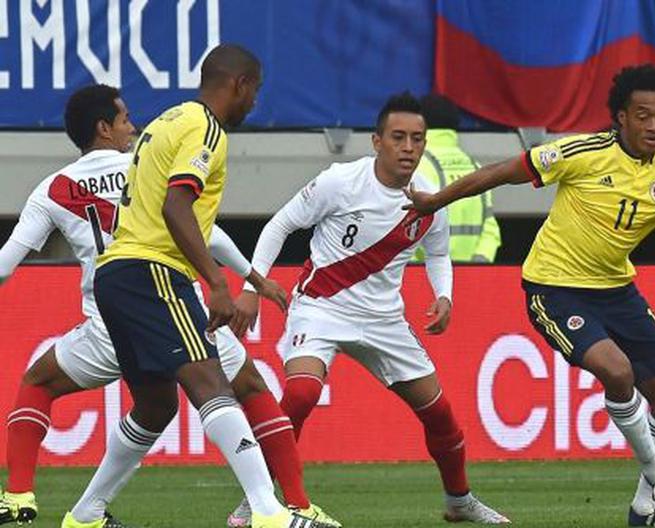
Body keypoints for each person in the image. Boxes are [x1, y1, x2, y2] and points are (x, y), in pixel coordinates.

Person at [405, 65, 655, 526]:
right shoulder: (582, 151)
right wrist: (435, 200)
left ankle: (646, 510)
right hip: (555, 287)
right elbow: (501, 172)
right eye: (643, 115)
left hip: (617, 290)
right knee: (617, 370)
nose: (653, 126)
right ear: (621, 117)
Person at [0, 86, 340, 528]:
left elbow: (7, 263)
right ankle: (284, 508)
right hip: (167, 294)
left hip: (109, 319)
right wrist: (250, 279)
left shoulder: (53, 189)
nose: (132, 127)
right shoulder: (145, 161)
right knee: (242, 388)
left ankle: (33, 499)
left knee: (75, 388)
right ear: (104, 127)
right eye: (123, 119)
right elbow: (206, 232)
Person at [237, 92, 509, 524]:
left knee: (439, 414)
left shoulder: (430, 200)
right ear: (376, 141)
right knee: (302, 393)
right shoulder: (339, 181)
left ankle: (459, 501)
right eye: (398, 137)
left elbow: (437, 254)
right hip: (321, 307)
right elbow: (281, 224)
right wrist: (253, 286)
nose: (409, 147)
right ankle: (260, 499)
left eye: (417, 139)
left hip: (384, 320)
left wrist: (444, 296)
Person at [413, 94, 500, 263]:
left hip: (430, 276)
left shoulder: (417, 166)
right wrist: (478, 266)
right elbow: (490, 229)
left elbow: (412, 231)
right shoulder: (475, 167)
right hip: (472, 277)